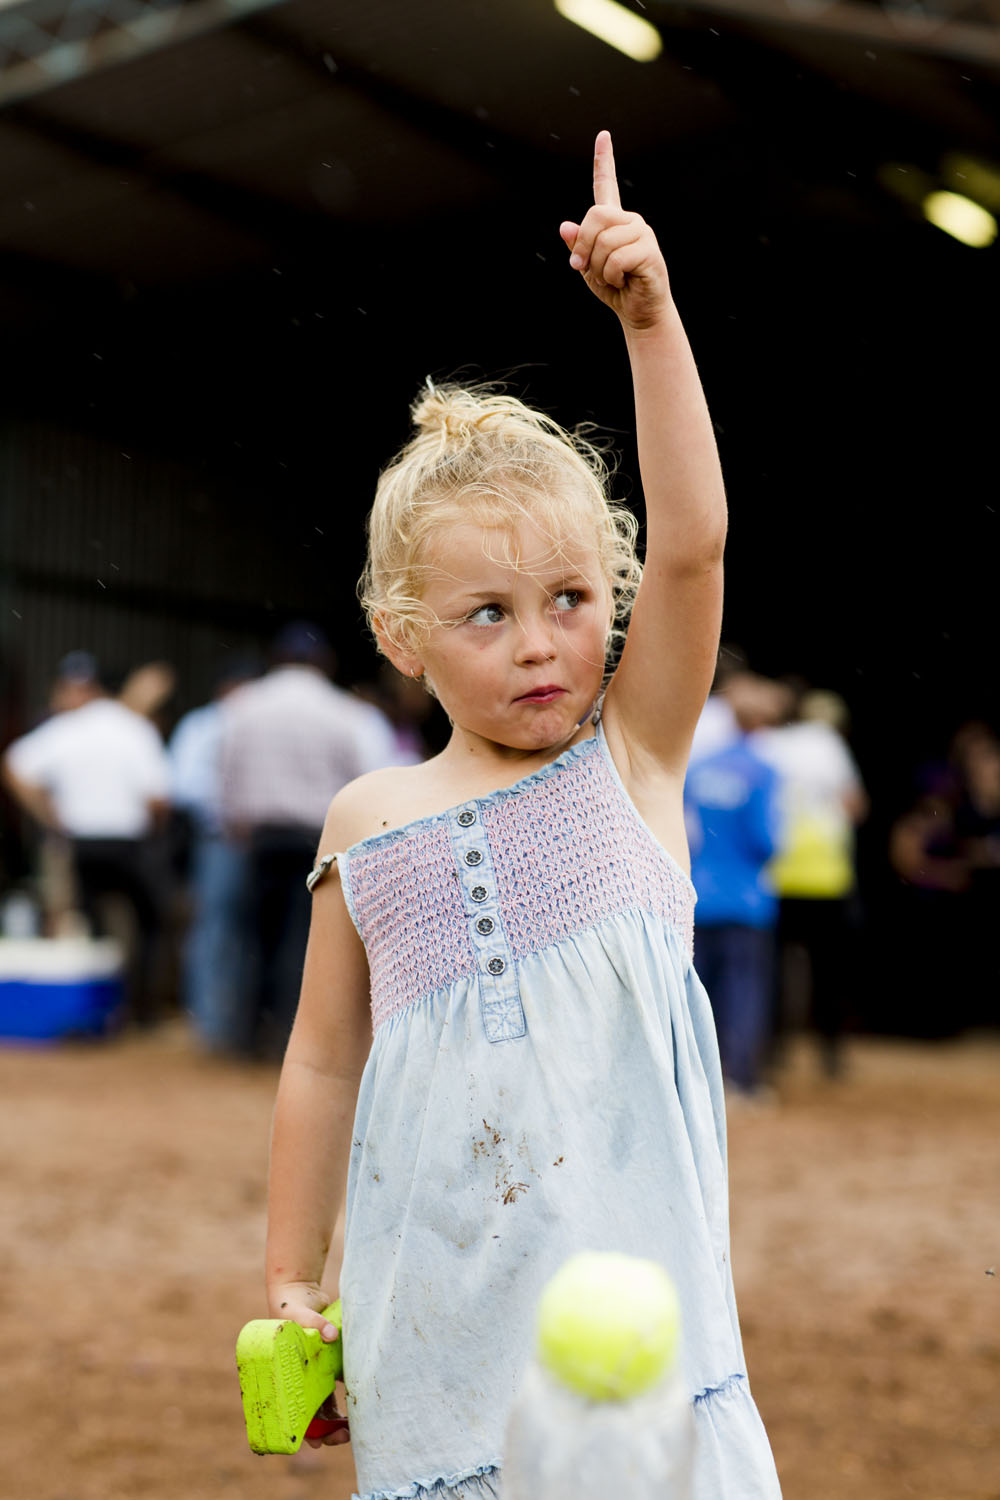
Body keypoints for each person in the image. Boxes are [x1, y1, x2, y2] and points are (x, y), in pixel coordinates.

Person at [263, 134, 781, 1500]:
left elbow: (694, 542)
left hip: (639, 1356)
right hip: (435, 1322)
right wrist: (291, 1278)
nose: (542, 644)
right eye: (489, 615)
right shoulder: (367, 820)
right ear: (403, 636)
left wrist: (651, 321)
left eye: (569, 599)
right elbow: (324, 1061)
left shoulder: (635, 760)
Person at [219, 622, 396, 1058]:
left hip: (261, 840)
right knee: (304, 940)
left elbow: (225, 775)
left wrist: (235, 825)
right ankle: (290, 1038)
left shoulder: (243, 708)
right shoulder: (345, 713)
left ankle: (245, 1035)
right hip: (319, 844)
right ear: (325, 662)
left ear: (276, 657)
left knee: (254, 937)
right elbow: (371, 779)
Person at [1, 651, 171, 1025]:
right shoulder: (133, 727)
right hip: (127, 843)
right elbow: (158, 797)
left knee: (87, 923)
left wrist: (49, 815)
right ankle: (138, 1009)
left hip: (80, 842)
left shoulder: (66, 729)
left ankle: (93, 1011)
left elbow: (13, 764)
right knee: (146, 924)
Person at [754, 688, 867, 1075]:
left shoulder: (773, 744)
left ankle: (771, 1051)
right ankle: (831, 1054)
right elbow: (854, 805)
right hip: (826, 877)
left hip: (780, 873)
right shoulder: (830, 745)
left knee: (773, 969)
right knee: (829, 971)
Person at [685, 675, 785, 1098]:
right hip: (746, 899)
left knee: (699, 991)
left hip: (698, 894)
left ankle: (695, 1080)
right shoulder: (763, 771)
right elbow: (766, 840)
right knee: (744, 990)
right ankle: (740, 1078)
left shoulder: (699, 766)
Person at [168, 655, 260, 1052]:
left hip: (264, 843)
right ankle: (209, 1021)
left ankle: (245, 1022)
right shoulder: (203, 725)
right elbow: (183, 786)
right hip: (220, 839)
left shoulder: (263, 723)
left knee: (257, 932)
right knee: (215, 928)